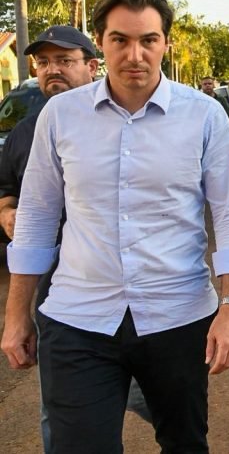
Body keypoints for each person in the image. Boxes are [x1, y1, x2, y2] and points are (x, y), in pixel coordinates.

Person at [1, 0, 229, 453]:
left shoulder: (204, 116)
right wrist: (17, 314)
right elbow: (37, 216)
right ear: (101, 44)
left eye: (148, 40)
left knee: (184, 443)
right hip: (78, 317)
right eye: (120, 40)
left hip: (178, 317)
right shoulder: (60, 116)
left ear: (166, 44)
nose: (135, 54)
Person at [0, 25, 153, 452]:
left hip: (143, 298)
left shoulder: (135, 122)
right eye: (44, 62)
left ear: (92, 66)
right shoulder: (27, 131)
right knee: (62, 412)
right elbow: (6, 185)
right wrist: (7, 211)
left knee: (166, 404)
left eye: (65, 61)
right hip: (61, 297)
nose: (53, 70)